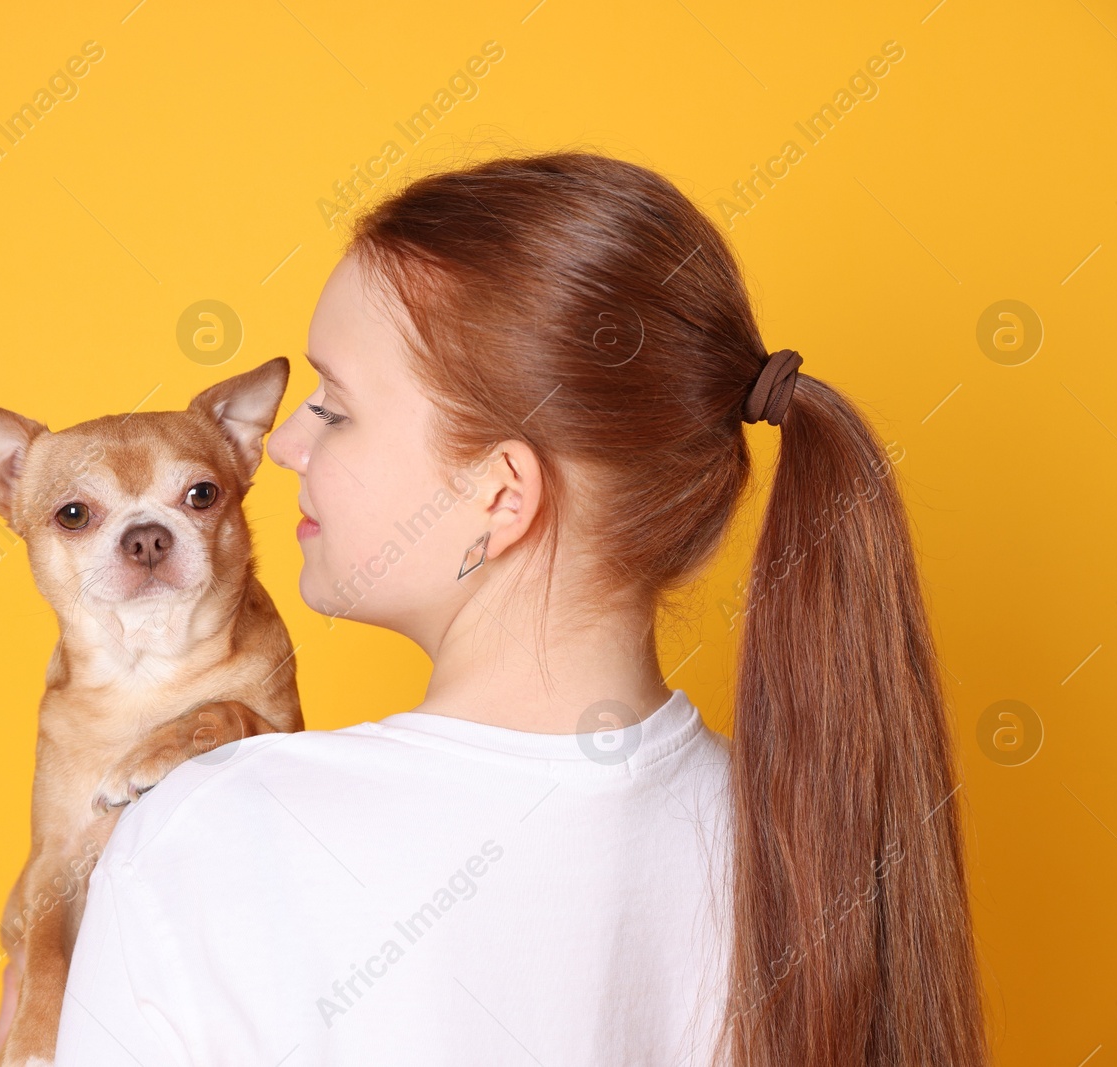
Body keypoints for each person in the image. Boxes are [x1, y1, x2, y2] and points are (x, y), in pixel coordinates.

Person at [53, 150, 986, 1066]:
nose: (287, 443)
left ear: (501, 494)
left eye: (334, 406)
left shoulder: (213, 835)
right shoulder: (812, 840)